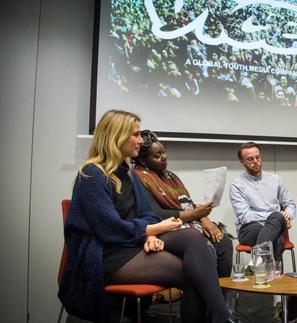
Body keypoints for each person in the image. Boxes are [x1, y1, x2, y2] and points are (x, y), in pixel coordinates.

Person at [58, 110, 233, 323]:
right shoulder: (92, 175)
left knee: (193, 237)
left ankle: (221, 316)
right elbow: (111, 230)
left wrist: (149, 235)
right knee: (192, 275)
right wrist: (152, 231)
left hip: (132, 243)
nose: (140, 140)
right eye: (135, 134)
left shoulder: (127, 173)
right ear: (116, 136)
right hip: (106, 254)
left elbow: (148, 214)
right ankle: (222, 316)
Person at [133, 130, 233, 279]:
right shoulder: (140, 179)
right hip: (163, 230)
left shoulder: (171, 176)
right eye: (157, 156)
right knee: (204, 248)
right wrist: (196, 214)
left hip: (188, 223)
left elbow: (188, 203)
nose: (164, 158)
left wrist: (205, 220)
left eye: (164, 152)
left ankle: (222, 294)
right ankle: (206, 298)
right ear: (143, 161)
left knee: (223, 242)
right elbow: (157, 215)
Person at [229, 141, 297, 320]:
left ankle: (256, 263)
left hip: (271, 228)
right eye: (250, 159)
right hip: (249, 230)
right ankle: (280, 301)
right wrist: (274, 222)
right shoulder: (237, 184)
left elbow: (290, 205)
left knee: (277, 227)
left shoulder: (275, 179)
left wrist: (288, 216)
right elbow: (245, 216)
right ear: (242, 162)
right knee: (275, 225)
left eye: (257, 157)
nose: (255, 161)